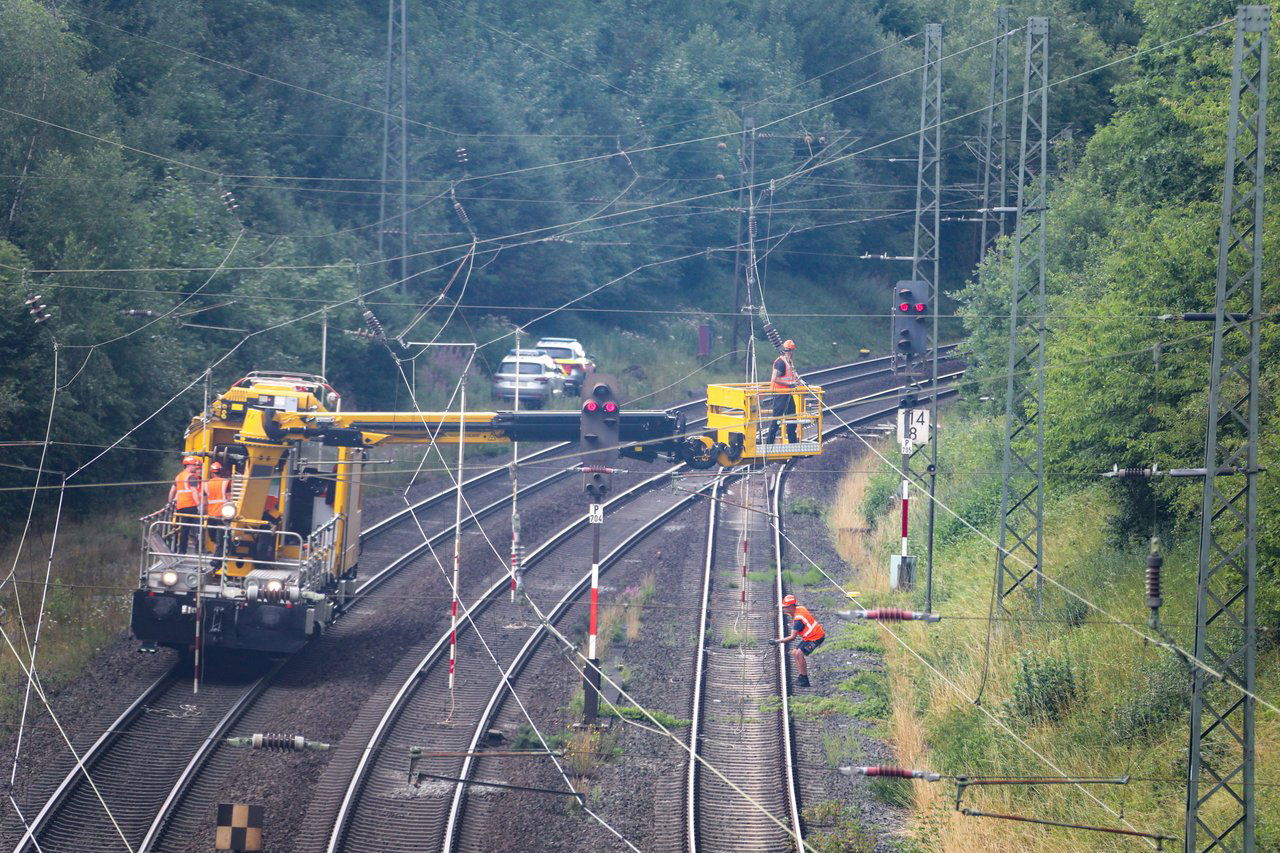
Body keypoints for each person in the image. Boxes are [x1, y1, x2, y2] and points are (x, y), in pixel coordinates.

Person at [770, 593, 824, 688]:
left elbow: (792, 637)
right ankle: (801, 676)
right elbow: (792, 608)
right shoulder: (799, 608)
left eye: (786, 607)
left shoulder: (798, 620)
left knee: (799, 653)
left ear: (791, 606)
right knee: (795, 652)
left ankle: (805, 679)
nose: (784, 609)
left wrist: (777, 641)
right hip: (809, 637)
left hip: (816, 637)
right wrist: (780, 606)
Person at [765, 339, 800, 445]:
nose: (790, 352)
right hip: (780, 394)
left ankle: (792, 443)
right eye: (788, 350)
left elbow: (792, 375)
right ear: (785, 350)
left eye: (790, 350)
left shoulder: (789, 361)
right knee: (776, 419)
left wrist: (797, 382)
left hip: (787, 394)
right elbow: (774, 379)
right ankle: (769, 443)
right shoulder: (780, 363)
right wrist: (789, 383)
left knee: (792, 418)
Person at [167, 456, 202, 553]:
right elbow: (194, 491)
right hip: (190, 506)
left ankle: (180, 550)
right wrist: (198, 504)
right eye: (194, 465)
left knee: (183, 529)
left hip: (180, 506)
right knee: (195, 528)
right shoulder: (191, 477)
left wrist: (170, 503)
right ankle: (197, 550)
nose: (196, 467)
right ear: (188, 466)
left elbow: (172, 491)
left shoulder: (179, 476)